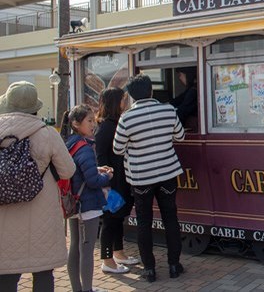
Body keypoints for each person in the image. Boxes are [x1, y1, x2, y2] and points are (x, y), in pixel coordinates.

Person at [0, 81, 76, 292]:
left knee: (6, 276)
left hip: (4, 218)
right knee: (43, 274)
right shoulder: (47, 133)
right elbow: (68, 171)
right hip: (42, 213)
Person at [113, 74, 185, 282]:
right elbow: (180, 136)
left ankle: (150, 269)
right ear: (151, 91)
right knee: (170, 217)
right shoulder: (169, 110)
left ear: (132, 96)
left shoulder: (126, 118)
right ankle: (174, 265)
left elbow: (118, 149)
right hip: (168, 172)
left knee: (144, 222)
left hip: (141, 177)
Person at [61, 104, 113, 292]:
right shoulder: (84, 147)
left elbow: (78, 172)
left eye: (93, 120)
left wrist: (96, 170)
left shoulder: (69, 144)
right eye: (89, 121)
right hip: (87, 205)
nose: (93, 124)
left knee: (75, 247)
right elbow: (92, 181)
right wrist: (106, 176)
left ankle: (77, 288)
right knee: (87, 249)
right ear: (76, 123)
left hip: (72, 202)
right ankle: (88, 289)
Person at [95, 87, 139, 274]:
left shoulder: (116, 122)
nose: (125, 103)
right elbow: (101, 157)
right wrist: (107, 180)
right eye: (123, 99)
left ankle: (119, 253)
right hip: (112, 182)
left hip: (121, 178)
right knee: (110, 221)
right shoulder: (106, 127)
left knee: (118, 218)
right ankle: (107, 259)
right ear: (115, 102)